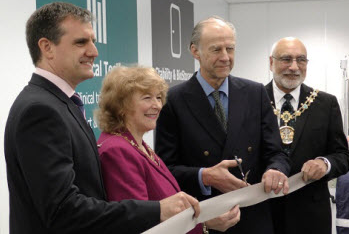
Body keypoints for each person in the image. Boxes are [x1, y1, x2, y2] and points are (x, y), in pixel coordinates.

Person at [4, 2, 200, 234]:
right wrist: (157, 210)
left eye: (93, 41)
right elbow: (63, 211)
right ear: (47, 47)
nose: (94, 51)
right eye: (81, 42)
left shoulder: (58, 103)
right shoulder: (40, 110)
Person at [155, 16, 291, 234]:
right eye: (216, 49)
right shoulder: (173, 100)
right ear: (195, 51)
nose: (225, 57)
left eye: (230, 48)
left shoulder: (255, 94)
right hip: (204, 218)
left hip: (253, 218)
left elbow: (277, 152)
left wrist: (276, 169)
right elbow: (165, 171)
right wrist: (204, 176)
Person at [95, 66, 241, 233]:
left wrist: (203, 218)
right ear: (121, 105)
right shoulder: (118, 150)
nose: (157, 105)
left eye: (158, 97)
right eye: (147, 98)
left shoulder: (137, 145)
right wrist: (203, 223)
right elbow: (139, 223)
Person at [266, 37, 349, 234]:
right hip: (263, 212)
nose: (294, 67)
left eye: (301, 60)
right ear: (271, 62)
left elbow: (343, 156)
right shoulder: (254, 100)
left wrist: (324, 163)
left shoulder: (325, 103)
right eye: (286, 59)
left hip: (311, 214)